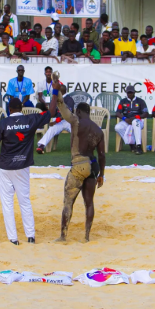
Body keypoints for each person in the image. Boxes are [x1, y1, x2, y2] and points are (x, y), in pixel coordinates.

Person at [0, 95, 54, 245]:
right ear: (21, 109)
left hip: (5, 167)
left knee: (7, 203)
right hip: (22, 166)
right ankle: (31, 236)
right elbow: (50, 113)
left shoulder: (3, 123)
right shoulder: (30, 119)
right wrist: (54, 93)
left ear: (9, 110)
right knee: (25, 201)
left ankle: (13, 238)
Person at [49, 76, 105, 243]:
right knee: (89, 203)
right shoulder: (98, 131)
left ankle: (63, 235)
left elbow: (61, 106)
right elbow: (102, 155)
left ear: (79, 112)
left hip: (78, 165)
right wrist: (102, 174)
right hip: (93, 166)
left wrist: (56, 89)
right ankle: (87, 236)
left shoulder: (75, 121)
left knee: (68, 203)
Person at [36, 68, 74, 154]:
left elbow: (67, 114)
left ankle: (83, 147)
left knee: (77, 131)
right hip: (59, 122)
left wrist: (56, 120)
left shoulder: (69, 99)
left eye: (58, 90)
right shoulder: (58, 99)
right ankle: (41, 146)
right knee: (52, 129)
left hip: (69, 121)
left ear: (62, 91)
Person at [115, 85, 149, 154]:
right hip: (126, 120)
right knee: (117, 127)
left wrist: (137, 117)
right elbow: (117, 113)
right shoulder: (123, 101)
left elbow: (146, 113)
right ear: (126, 93)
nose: (129, 94)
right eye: (128, 93)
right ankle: (131, 143)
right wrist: (125, 119)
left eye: (131, 93)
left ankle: (138, 146)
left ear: (134, 92)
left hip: (138, 121)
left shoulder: (140, 101)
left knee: (135, 122)